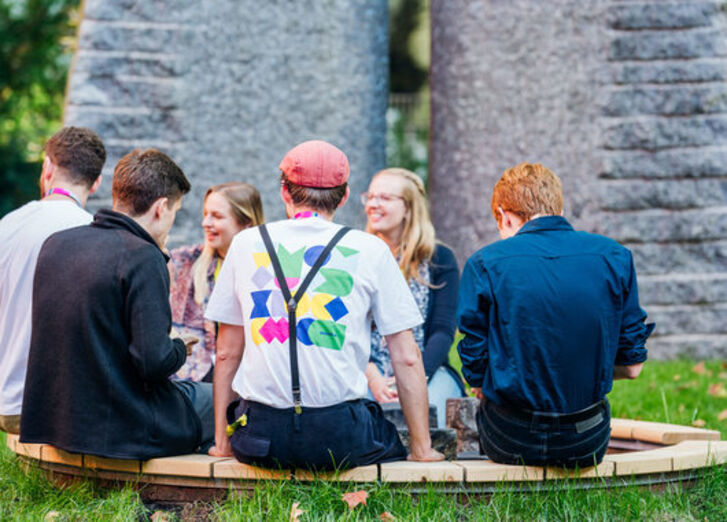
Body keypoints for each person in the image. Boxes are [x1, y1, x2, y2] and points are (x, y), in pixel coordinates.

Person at [205, 140, 443, 469]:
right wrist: (422, 449)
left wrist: (222, 443)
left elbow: (226, 352)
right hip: (339, 440)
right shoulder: (370, 249)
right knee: (384, 434)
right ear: (344, 196)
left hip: (260, 439)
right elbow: (406, 357)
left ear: (284, 193)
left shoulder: (246, 244)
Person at [457, 162, 655, 468]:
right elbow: (632, 368)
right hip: (587, 441)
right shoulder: (615, 257)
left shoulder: (484, 263)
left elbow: (477, 374)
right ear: (557, 207)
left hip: (511, 439)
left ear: (503, 214)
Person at [20, 148, 214, 460]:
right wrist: (179, 347)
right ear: (161, 207)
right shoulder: (143, 257)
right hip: (121, 427)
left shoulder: (57, 243)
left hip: (57, 422)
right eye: (175, 212)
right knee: (223, 399)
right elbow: (153, 363)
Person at [0, 127, 105, 435]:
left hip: (5, 400)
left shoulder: (7, 226)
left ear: (47, 167)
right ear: (96, 183)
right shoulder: (95, 235)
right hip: (56, 410)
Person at [362, 168, 462, 428]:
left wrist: (415, 379)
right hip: (365, 372)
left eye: (384, 197)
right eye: (370, 196)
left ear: (408, 208)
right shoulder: (356, 257)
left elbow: (442, 331)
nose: (373, 204)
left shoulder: (439, 259)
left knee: (434, 418)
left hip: (428, 370)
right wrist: (372, 375)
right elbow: (344, 329)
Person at [169, 182, 264, 381]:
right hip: (194, 378)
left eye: (217, 216)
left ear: (246, 223)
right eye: (205, 214)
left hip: (248, 379)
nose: (206, 223)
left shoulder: (267, 269)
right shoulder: (182, 261)